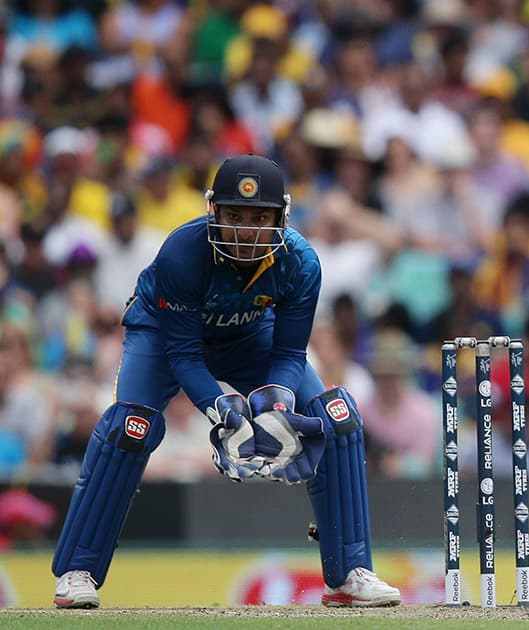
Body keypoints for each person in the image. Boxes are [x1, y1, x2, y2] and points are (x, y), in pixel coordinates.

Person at [50, 154, 400, 609]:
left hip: (248, 333)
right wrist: (223, 407)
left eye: (259, 218)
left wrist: (276, 405)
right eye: (235, 216)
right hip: (162, 334)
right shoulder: (182, 251)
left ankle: (349, 572)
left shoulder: (302, 263)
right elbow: (184, 354)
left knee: (337, 416)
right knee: (130, 428)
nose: (246, 230)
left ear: (282, 217)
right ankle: (79, 570)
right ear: (213, 211)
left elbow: (290, 353)